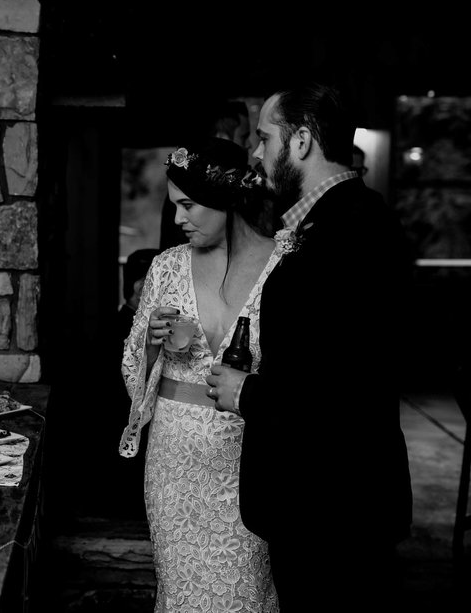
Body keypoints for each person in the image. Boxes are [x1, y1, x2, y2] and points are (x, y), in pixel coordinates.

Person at [206, 82, 413, 612]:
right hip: (324, 502)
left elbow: (342, 389)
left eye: (264, 138)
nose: (256, 152)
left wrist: (246, 392)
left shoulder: (353, 233)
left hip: (334, 509)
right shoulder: (330, 222)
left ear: (301, 141)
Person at [120, 138, 282, 612]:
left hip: (250, 460)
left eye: (188, 204)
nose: (177, 219)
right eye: (174, 206)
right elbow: (133, 368)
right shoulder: (166, 267)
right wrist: (149, 342)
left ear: (227, 197)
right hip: (175, 462)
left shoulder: (284, 266)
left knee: (247, 590)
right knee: (181, 591)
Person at [160, 100, 252, 250]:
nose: (250, 145)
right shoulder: (182, 193)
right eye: (243, 136)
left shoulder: (249, 192)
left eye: (187, 205)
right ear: (223, 137)